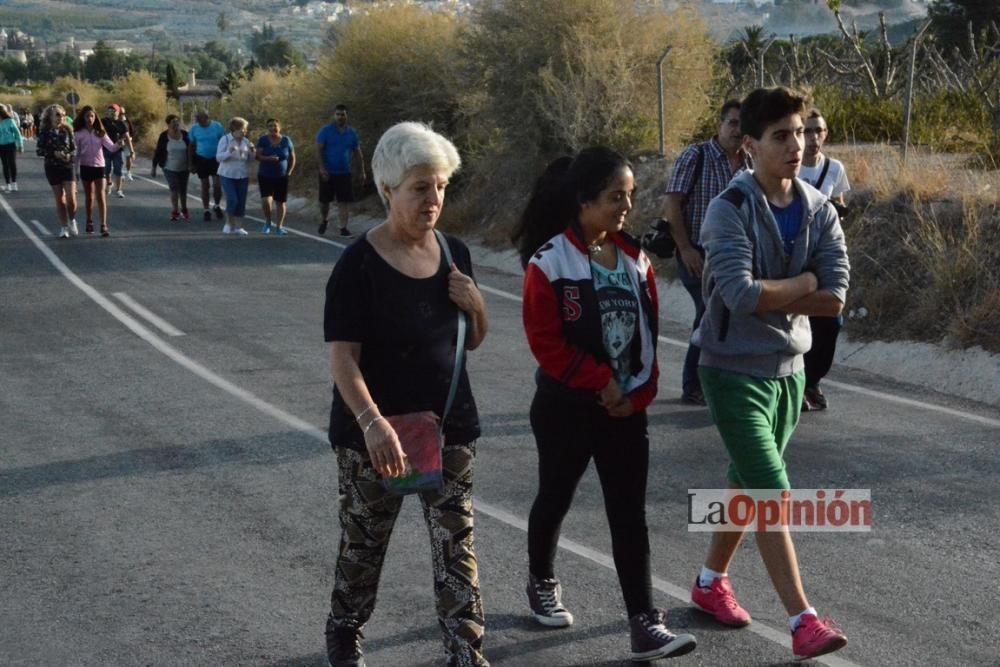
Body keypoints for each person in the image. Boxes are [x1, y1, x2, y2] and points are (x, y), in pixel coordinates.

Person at [512, 148, 697, 662]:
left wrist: (638, 393)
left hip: (624, 412)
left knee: (628, 516)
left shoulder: (636, 261)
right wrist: (599, 382)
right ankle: (541, 578)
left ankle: (644, 623)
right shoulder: (549, 263)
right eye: (616, 196)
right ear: (584, 200)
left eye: (631, 196)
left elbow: (647, 339)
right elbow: (546, 342)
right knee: (556, 496)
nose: (626, 206)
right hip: (565, 408)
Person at [688, 87, 850, 661]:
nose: (797, 145)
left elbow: (837, 297)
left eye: (802, 132)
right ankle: (802, 620)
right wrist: (804, 283)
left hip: (790, 373)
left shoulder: (819, 208)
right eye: (781, 135)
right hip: (731, 373)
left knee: (746, 483)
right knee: (771, 490)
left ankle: (709, 584)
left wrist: (784, 294)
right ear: (750, 145)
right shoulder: (726, 209)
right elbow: (737, 293)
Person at [323, 122, 489, 667]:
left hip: (448, 429)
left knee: (455, 548)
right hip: (377, 437)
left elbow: (473, 341)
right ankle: (346, 633)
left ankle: (466, 652)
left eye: (440, 186)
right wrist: (373, 423)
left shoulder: (455, 252)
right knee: (364, 548)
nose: (433, 199)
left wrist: (476, 305)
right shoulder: (358, 266)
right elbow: (343, 358)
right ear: (388, 189)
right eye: (420, 187)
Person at [662, 100, 748, 406]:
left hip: (733, 257)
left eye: (743, 124)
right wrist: (685, 249)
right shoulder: (696, 156)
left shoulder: (749, 164)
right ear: (719, 125)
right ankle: (693, 384)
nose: (738, 130)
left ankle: (723, 381)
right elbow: (672, 204)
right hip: (697, 254)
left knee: (729, 317)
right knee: (709, 312)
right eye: (732, 123)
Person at [797, 108, 851, 412]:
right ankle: (798, 383)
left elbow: (840, 206)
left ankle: (813, 379)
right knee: (800, 320)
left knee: (831, 322)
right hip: (797, 258)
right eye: (807, 131)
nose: (813, 138)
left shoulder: (834, 168)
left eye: (818, 131)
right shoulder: (789, 171)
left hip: (826, 256)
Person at [73, 106, 125, 237]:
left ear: (95, 117)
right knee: (89, 197)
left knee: (101, 196)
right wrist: (76, 171)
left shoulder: (100, 132)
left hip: (99, 166)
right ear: (83, 118)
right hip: (85, 166)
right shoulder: (79, 133)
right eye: (87, 116)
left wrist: (119, 143)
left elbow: (112, 148)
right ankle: (89, 221)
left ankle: (103, 225)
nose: (90, 119)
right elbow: (77, 154)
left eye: (92, 116)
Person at [316, 104, 365, 236]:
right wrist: (322, 168)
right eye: (337, 114)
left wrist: (362, 171)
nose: (340, 117)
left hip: (344, 173)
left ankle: (343, 228)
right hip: (327, 172)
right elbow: (319, 150)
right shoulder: (325, 131)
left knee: (343, 201)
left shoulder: (352, 133)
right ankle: (324, 220)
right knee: (324, 201)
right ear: (334, 115)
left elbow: (357, 153)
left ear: (346, 115)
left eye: (342, 114)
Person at [35, 105, 79, 239]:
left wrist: (68, 155)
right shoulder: (44, 132)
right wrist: (53, 153)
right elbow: (39, 151)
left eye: (62, 114)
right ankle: (64, 227)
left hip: (67, 166)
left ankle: (72, 220)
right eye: (58, 115)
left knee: (71, 198)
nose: (61, 117)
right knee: (60, 199)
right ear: (51, 117)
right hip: (52, 166)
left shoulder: (67, 130)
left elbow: (74, 149)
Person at [255, 117, 296, 235]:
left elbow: (292, 158)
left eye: (275, 125)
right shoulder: (263, 140)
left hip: (281, 176)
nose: (273, 128)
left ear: (279, 127)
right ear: (267, 128)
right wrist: (269, 159)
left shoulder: (286, 140)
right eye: (270, 126)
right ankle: (267, 222)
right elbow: (257, 156)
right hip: (265, 175)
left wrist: (289, 172)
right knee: (265, 200)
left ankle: (279, 226)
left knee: (280, 202)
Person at [215, 117, 255, 236]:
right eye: (243, 129)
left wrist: (253, 151)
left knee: (241, 201)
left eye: (245, 129)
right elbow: (218, 157)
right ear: (235, 129)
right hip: (227, 174)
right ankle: (228, 224)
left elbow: (250, 159)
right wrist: (229, 152)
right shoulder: (225, 140)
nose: (244, 132)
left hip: (242, 174)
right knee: (232, 199)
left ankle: (238, 227)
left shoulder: (246, 142)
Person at [188, 109, 227, 221]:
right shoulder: (195, 129)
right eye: (197, 118)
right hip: (201, 159)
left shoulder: (217, 126)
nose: (199, 120)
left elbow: (224, 141)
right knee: (205, 185)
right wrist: (191, 163)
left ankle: (217, 205)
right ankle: (206, 209)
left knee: (217, 185)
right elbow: (191, 146)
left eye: (201, 118)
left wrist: (224, 158)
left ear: (206, 117)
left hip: (216, 159)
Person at [151, 114, 192, 221]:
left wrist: (192, 164)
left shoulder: (185, 134)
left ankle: (184, 209)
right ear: (168, 124)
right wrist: (154, 167)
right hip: (169, 167)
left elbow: (191, 149)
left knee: (183, 190)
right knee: (174, 188)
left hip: (184, 167)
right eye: (173, 122)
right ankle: (175, 211)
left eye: (177, 122)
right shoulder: (164, 136)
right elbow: (158, 152)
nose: (176, 124)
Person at [102, 104, 130, 199]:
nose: (112, 113)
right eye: (109, 111)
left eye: (114, 111)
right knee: (107, 170)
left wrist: (132, 150)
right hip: (105, 149)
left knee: (118, 170)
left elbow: (126, 136)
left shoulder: (121, 123)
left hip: (118, 150)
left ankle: (119, 190)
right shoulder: (102, 122)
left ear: (118, 112)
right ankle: (109, 184)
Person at [0, 103, 24, 192]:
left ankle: (14, 183)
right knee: (5, 165)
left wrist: (20, 145)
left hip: (10, 145)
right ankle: (8, 184)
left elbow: (18, 134)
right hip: (1, 146)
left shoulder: (10, 121)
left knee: (12, 164)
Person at [119, 105, 137, 181]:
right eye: (120, 113)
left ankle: (128, 173)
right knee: (119, 159)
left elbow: (132, 131)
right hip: (118, 143)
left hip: (127, 142)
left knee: (129, 157)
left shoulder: (127, 121)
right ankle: (120, 173)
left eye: (123, 113)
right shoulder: (115, 121)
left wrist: (130, 138)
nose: (122, 115)